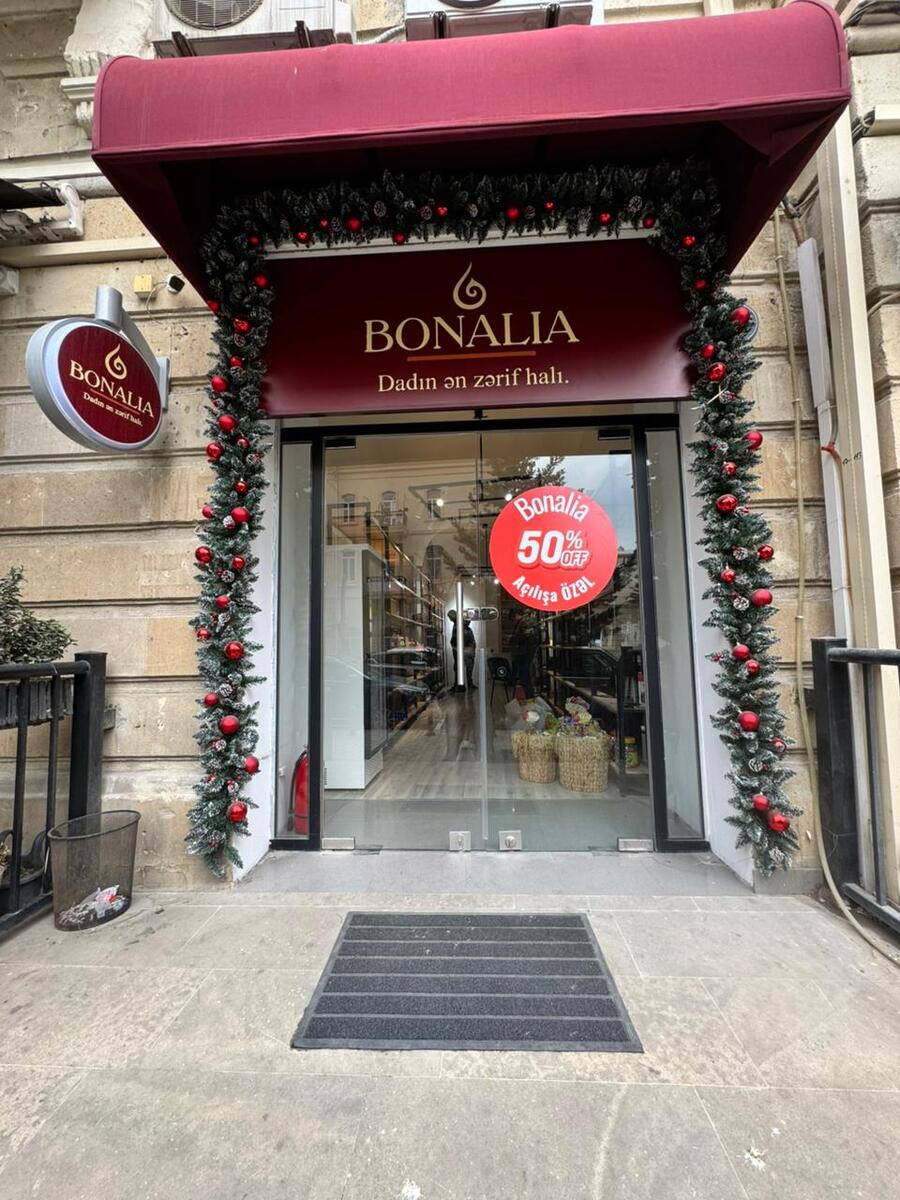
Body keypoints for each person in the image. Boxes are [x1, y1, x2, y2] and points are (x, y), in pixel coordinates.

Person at [448, 610, 477, 691]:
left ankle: (462, 685)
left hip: (464, 648)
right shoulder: (458, 624)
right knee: (460, 667)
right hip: (461, 648)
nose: (450, 619)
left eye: (451, 617)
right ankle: (461, 685)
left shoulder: (460, 624)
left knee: (466, 667)